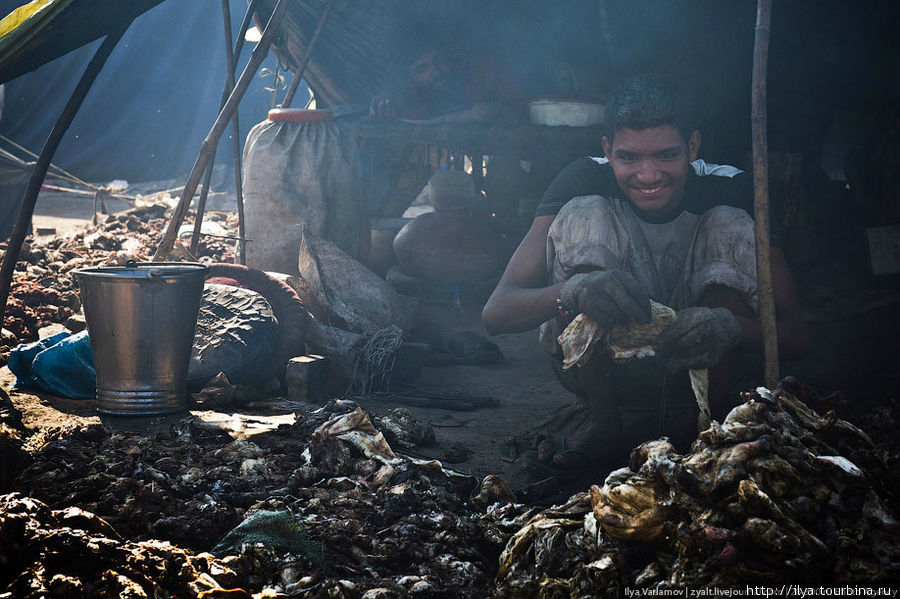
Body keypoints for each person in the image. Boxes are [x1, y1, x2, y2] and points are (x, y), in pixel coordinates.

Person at [481, 73, 810, 480]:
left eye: (666, 155)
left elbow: (795, 338)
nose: (649, 175)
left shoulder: (731, 188)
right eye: (629, 158)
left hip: (701, 372)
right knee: (585, 211)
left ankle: (707, 422)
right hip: (604, 379)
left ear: (693, 146)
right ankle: (604, 422)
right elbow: (496, 313)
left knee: (731, 222)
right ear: (607, 150)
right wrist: (575, 290)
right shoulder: (583, 178)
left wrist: (731, 327)